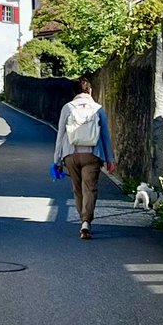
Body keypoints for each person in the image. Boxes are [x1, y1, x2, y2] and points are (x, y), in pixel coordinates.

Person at [53, 77, 116, 240]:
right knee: (90, 188)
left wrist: (57, 160)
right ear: (90, 91)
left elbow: (60, 135)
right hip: (92, 154)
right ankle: (86, 222)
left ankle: (82, 218)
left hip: (70, 154)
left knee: (77, 189)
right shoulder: (98, 108)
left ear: (74, 93)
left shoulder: (67, 107)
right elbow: (105, 136)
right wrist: (110, 159)